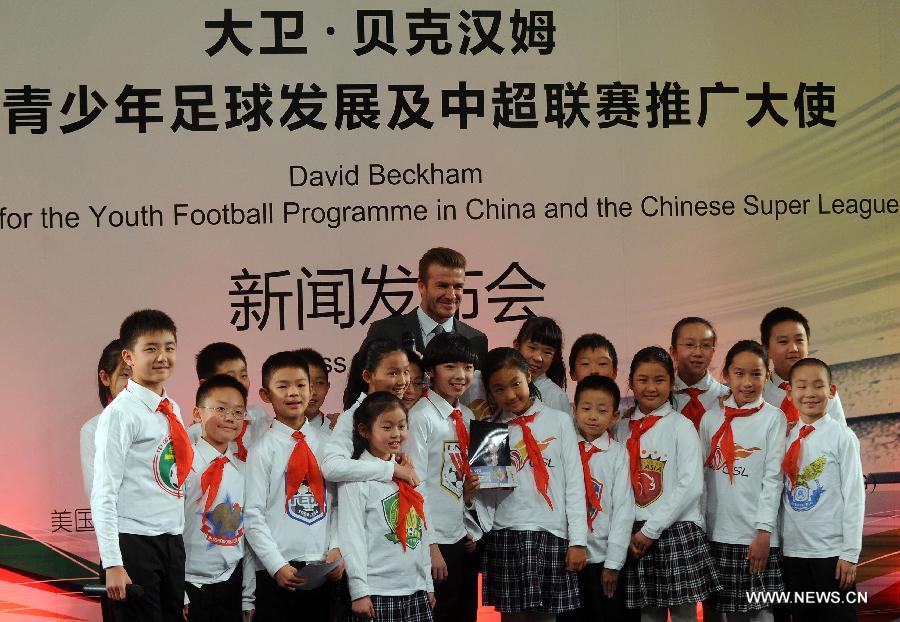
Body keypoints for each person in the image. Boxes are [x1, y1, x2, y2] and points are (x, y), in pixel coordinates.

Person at [91, 309, 192, 620]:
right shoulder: (120, 414)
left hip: (171, 540)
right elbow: (103, 493)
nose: (162, 356)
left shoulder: (171, 406)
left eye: (169, 347)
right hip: (133, 544)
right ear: (129, 357)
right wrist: (113, 563)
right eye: (151, 348)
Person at [477, 347, 587, 621]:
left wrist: (578, 541)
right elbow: (488, 500)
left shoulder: (560, 421)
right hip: (506, 533)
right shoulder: (490, 431)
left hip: (551, 531)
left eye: (515, 384)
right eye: (499, 389)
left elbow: (574, 484)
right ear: (490, 393)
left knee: (546, 618)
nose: (510, 395)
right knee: (511, 618)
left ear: (528, 376)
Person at [614, 346, 720, 622]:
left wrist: (651, 529)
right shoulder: (622, 428)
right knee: (649, 615)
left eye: (659, 380)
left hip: (674, 531)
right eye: (643, 379)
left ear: (672, 384)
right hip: (635, 534)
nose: (651, 387)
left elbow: (691, 485)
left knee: (684, 614)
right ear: (630, 382)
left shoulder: (681, 426)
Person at [243, 351, 343, 622]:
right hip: (279, 572)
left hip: (322, 567)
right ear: (265, 395)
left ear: (312, 389)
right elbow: (252, 516)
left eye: (301, 385)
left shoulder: (327, 445)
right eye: (282, 386)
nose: (293, 393)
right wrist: (276, 566)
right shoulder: (262, 449)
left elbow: (336, 505)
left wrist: (336, 548)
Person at [699, 341, 787, 622]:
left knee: (762, 613)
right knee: (731, 614)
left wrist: (764, 533)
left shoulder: (774, 419)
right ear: (726, 374)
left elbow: (774, 481)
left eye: (756, 374)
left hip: (756, 537)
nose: (747, 383)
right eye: (739, 373)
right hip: (718, 533)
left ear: (767, 375)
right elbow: (701, 480)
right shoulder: (710, 419)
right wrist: (702, 527)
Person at [338, 392, 435, 621]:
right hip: (377, 592)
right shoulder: (356, 479)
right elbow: (352, 537)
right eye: (387, 427)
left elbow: (420, 531)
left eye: (402, 426)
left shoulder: (408, 472)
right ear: (364, 431)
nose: (396, 434)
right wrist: (359, 592)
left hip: (415, 589)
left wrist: (427, 583)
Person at [780, 358, 864, 622]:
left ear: (831, 391)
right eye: (801, 386)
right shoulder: (785, 437)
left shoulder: (842, 437)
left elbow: (854, 496)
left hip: (831, 555)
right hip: (793, 553)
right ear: (790, 392)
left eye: (818, 386)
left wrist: (850, 553)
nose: (809, 393)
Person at [406, 332, 479, 622]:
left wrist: (471, 524)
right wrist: (431, 547)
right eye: (450, 366)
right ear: (430, 372)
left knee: (466, 612)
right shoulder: (421, 417)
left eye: (468, 367)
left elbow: (461, 483)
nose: (461, 375)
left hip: (461, 536)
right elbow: (415, 485)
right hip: (435, 541)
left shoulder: (469, 416)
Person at [560, 375, 634, 622]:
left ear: (614, 416)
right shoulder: (565, 447)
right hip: (567, 554)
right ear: (574, 409)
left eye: (602, 411)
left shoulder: (617, 454)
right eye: (586, 408)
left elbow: (624, 509)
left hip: (603, 556)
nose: (593, 416)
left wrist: (613, 563)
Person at [183, 374, 254, 622]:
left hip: (230, 582)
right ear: (197, 413)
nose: (230, 418)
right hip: (188, 584)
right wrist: (178, 591)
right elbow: (168, 531)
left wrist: (247, 596)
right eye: (220, 409)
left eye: (238, 412)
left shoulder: (244, 470)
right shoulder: (182, 465)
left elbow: (248, 536)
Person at [364, 247, 488, 365]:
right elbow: (359, 384)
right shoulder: (384, 332)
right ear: (422, 286)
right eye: (442, 286)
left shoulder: (476, 340)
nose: (451, 296)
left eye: (458, 287)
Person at [321, 339, 418, 486]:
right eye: (393, 373)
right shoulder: (351, 417)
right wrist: (392, 469)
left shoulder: (399, 411)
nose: (403, 381)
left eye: (406, 372)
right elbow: (332, 467)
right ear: (368, 376)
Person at [759, 307, 847, 427]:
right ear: (766, 350)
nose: (794, 349)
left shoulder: (824, 392)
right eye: (783, 342)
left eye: (799, 340)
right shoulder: (758, 394)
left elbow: (841, 439)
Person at [190, 342, 270, 459]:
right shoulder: (194, 435)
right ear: (205, 385)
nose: (240, 384)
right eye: (230, 378)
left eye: (243, 375)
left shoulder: (258, 416)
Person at [81, 338, 131, 498]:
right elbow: (97, 494)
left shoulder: (163, 422)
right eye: (125, 374)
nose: (135, 384)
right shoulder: (93, 430)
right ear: (105, 378)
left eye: (140, 376)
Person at [669, 317, 730, 429]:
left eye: (706, 345)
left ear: (713, 351)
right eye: (689, 344)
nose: (698, 353)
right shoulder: (660, 398)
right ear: (673, 351)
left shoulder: (729, 398)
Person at [514, 316, 571, 414]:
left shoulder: (556, 396)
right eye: (532, 348)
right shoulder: (502, 385)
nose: (538, 358)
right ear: (517, 346)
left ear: (555, 357)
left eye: (547, 352)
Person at [296, 347, 336, 439]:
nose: (313, 392)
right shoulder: (270, 431)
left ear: (327, 387)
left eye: (320, 383)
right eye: (303, 384)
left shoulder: (336, 431)